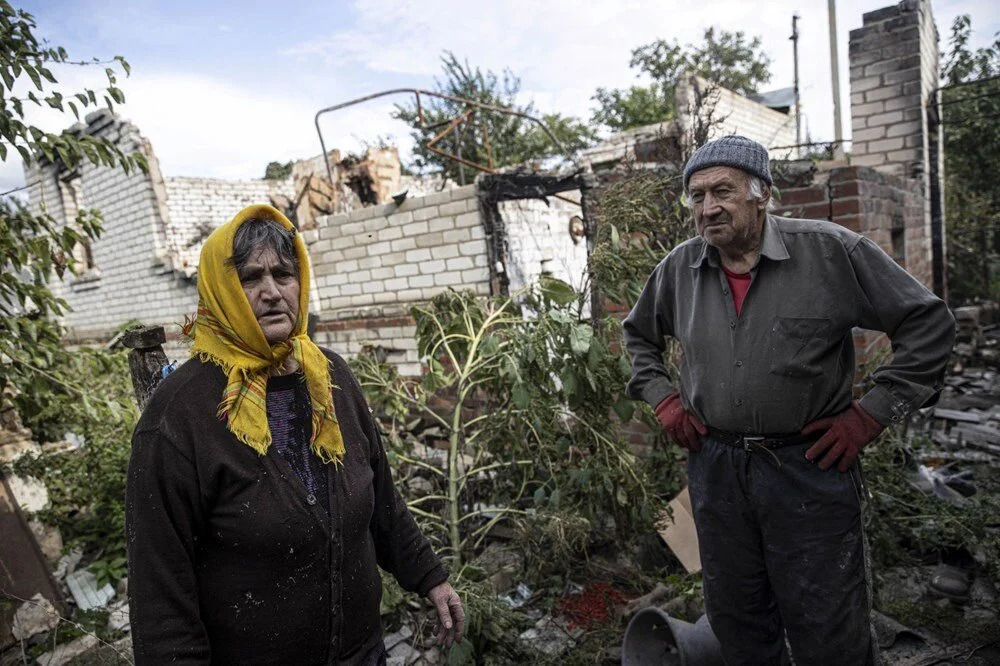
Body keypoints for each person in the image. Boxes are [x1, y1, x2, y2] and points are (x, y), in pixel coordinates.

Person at [623, 136, 955, 665]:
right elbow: (637, 336)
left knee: (827, 622)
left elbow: (928, 322)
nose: (708, 208)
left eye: (723, 191)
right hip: (717, 469)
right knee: (737, 618)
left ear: (762, 194)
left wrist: (870, 415)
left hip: (809, 466)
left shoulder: (830, 252)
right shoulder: (679, 269)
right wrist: (664, 399)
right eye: (697, 196)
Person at [126, 204, 464, 665]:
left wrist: (430, 577)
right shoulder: (178, 416)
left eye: (283, 274)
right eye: (250, 278)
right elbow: (160, 590)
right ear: (221, 290)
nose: (271, 292)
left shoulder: (331, 377)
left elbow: (381, 499)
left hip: (362, 652)